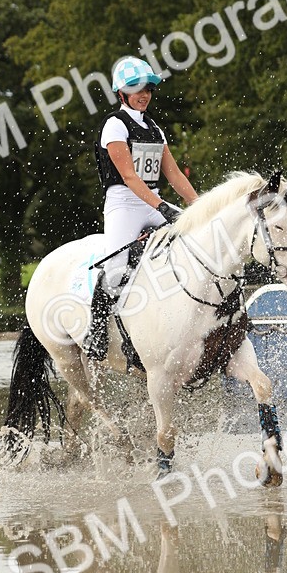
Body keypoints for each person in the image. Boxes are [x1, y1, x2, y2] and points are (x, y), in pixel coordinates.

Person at [85, 56, 199, 360]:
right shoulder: (114, 125)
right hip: (124, 203)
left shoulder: (153, 128)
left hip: (153, 201)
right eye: (137, 89)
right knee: (115, 268)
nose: (144, 94)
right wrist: (162, 207)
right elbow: (129, 177)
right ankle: (97, 332)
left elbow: (172, 174)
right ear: (122, 93)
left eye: (147, 88)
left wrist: (199, 206)